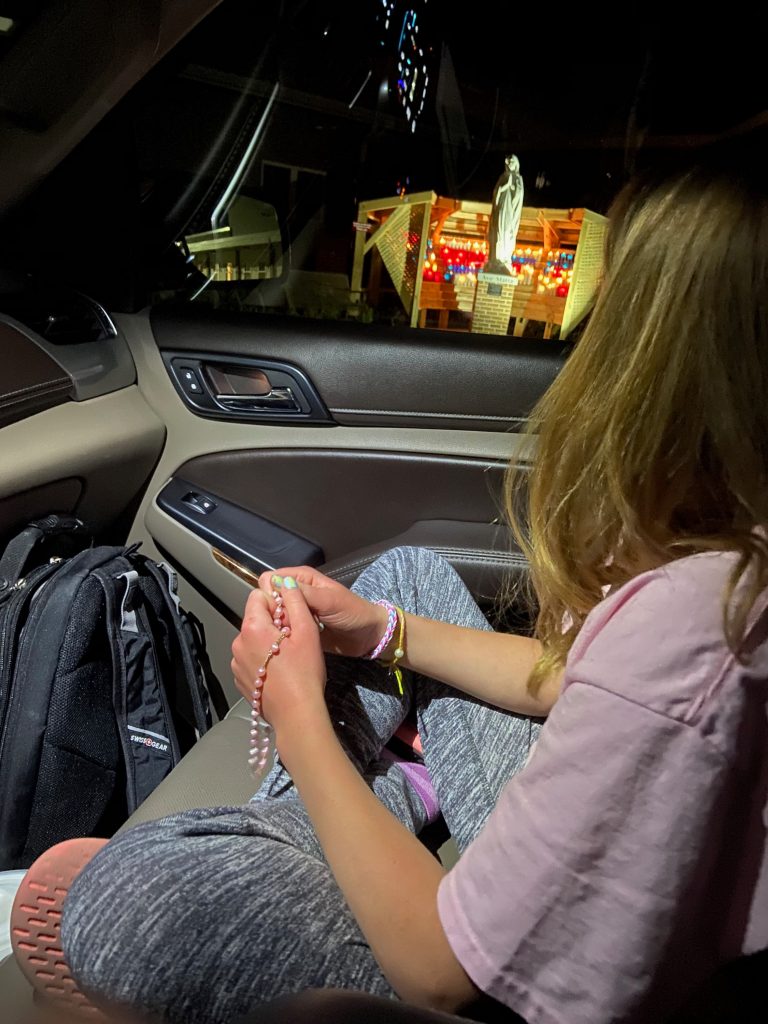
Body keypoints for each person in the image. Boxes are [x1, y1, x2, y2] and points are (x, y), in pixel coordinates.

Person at [11, 156, 768, 1024]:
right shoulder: (718, 584)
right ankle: (400, 796)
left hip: (484, 982)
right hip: (581, 833)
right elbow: (570, 678)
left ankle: (334, 818)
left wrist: (296, 714)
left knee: (135, 892)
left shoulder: (703, 627)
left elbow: (441, 971)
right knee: (407, 581)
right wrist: (379, 631)